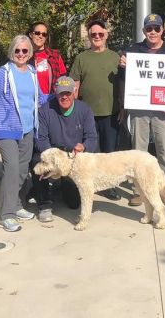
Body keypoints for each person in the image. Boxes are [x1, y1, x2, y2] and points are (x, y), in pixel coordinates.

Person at [0, 35, 48, 232]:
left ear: (30, 53)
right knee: (11, 169)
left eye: (25, 51)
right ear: (12, 51)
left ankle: (17, 204)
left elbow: (38, 98)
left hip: (28, 128)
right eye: (17, 50)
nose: (21, 54)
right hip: (7, 129)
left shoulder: (31, 72)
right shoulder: (4, 73)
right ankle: (7, 215)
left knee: (22, 171)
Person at [117, 13, 165, 206]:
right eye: (149, 28)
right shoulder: (132, 51)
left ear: (162, 30)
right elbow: (122, 81)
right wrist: (122, 67)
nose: (153, 32)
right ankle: (140, 191)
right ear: (143, 30)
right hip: (139, 109)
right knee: (139, 152)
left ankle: (164, 190)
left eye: (156, 28)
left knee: (164, 150)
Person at [34, 76, 99, 222]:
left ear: (74, 93)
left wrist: (84, 146)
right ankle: (44, 204)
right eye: (61, 93)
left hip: (73, 157)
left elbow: (92, 137)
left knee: (74, 204)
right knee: (36, 161)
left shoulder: (85, 110)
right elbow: (40, 138)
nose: (64, 97)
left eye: (68, 93)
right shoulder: (45, 110)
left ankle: (59, 185)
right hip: (52, 153)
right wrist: (53, 156)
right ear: (55, 93)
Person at [69, 18, 121, 200]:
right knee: (89, 153)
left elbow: (125, 85)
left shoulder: (116, 57)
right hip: (87, 115)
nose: (97, 37)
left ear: (106, 35)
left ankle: (110, 186)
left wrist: (124, 108)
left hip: (111, 113)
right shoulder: (81, 58)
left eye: (100, 34)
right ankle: (88, 185)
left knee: (109, 154)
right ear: (89, 36)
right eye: (93, 34)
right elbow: (75, 85)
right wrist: (74, 112)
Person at [28, 21, 67, 96]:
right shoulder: (24, 55)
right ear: (30, 34)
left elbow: (63, 80)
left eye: (44, 34)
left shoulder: (55, 55)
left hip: (50, 101)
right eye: (37, 33)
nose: (40, 36)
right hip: (29, 102)